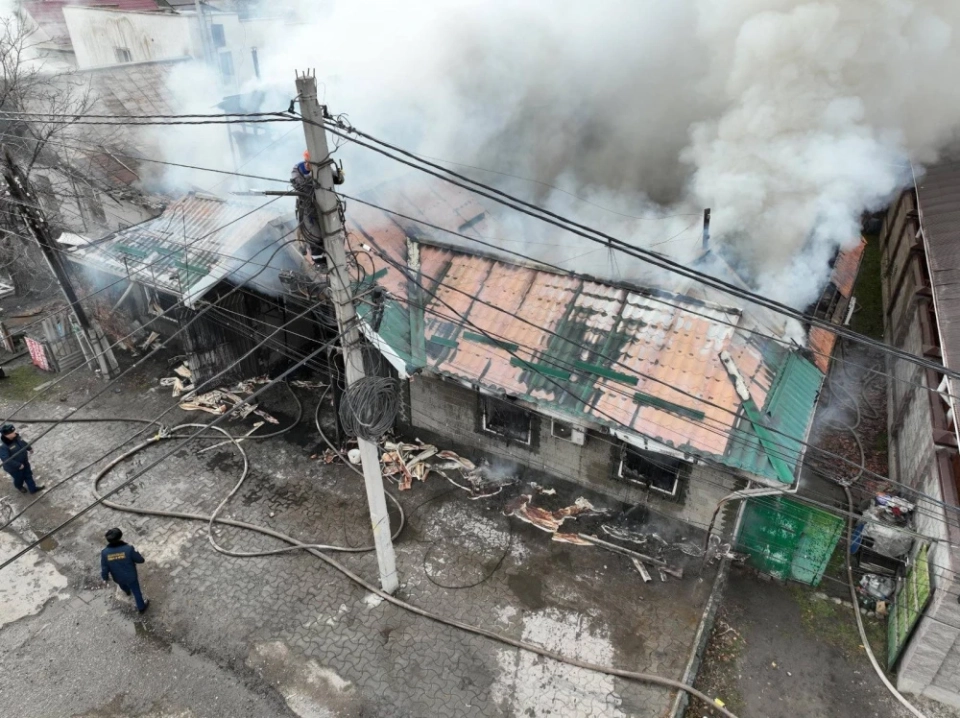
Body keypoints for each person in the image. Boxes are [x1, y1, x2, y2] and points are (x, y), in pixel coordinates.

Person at [100, 528, 149, 614]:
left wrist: (105, 577)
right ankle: (141, 607)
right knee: (136, 591)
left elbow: (104, 567)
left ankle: (127, 591)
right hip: (131, 576)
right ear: (120, 537)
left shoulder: (105, 553)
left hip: (117, 577)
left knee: (122, 585)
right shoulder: (128, 549)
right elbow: (140, 560)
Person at [0, 423, 44, 495]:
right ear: (6, 435)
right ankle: (19, 486)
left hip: (24, 462)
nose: (15, 433)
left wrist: (29, 448)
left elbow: (23, 443)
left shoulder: (16, 437)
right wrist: (18, 465)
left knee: (28, 475)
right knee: (19, 479)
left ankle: (33, 489)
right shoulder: (3, 446)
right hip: (14, 468)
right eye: (12, 432)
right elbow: (6, 460)